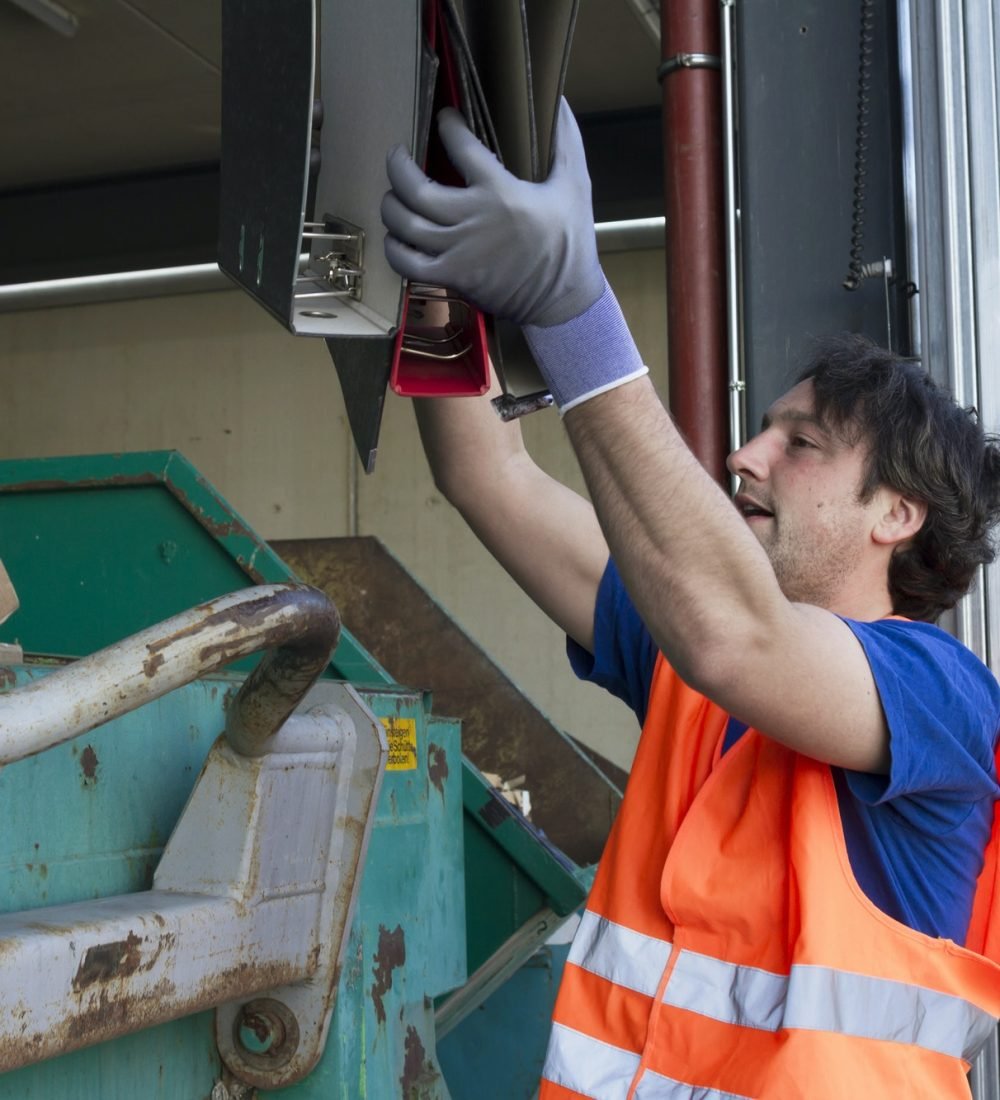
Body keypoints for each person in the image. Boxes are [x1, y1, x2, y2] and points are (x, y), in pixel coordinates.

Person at [381, 100, 1000, 1097]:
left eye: (800, 444)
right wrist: (440, 296)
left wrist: (571, 306)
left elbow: (738, 639)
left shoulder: (938, 695)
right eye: (763, 429)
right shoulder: (691, 657)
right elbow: (489, 478)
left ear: (897, 513)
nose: (745, 456)